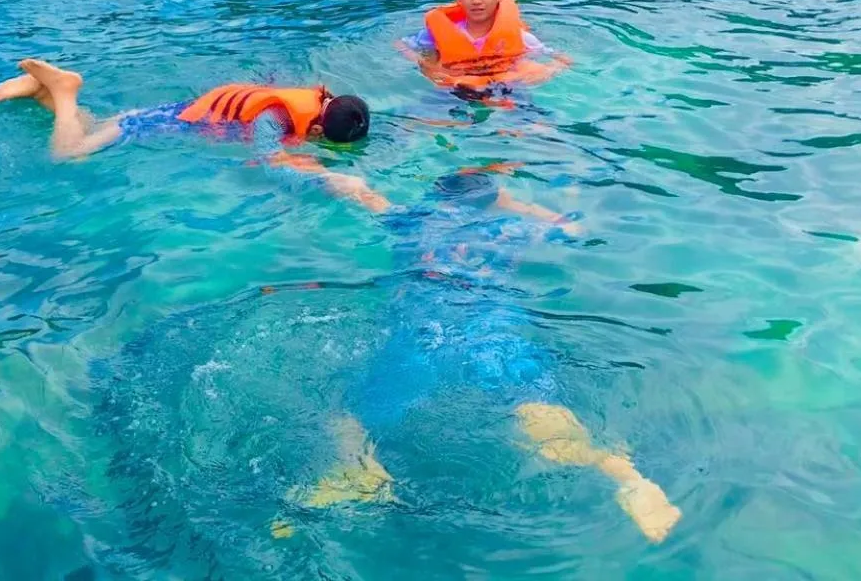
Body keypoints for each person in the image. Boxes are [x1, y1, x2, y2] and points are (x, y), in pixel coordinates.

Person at [275, 168, 681, 544]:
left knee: (356, 408)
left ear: (437, 198)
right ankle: (623, 475)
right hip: (489, 322)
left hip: (423, 320)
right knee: (530, 400)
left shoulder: (411, 218)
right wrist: (515, 203)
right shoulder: (512, 228)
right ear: (489, 204)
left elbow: (356, 190)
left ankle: (354, 469)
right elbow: (572, 228)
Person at [0, 59, 373, 177]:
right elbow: (268, 153)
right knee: (70, 153)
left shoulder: (310, 99)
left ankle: (44, 92)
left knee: (92, 129)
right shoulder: (276, 117)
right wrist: (309, 166)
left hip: (177, 110)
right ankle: (64, 90)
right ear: (319, 128)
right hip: (173, 123)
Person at [398, 0, 570, 96]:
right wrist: (427, 67)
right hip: (453, 92)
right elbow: (402, 46)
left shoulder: (521, 37)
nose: (477, 1)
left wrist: (545, 72)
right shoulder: (433, 35)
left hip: (506, 91)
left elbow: (563, 60)